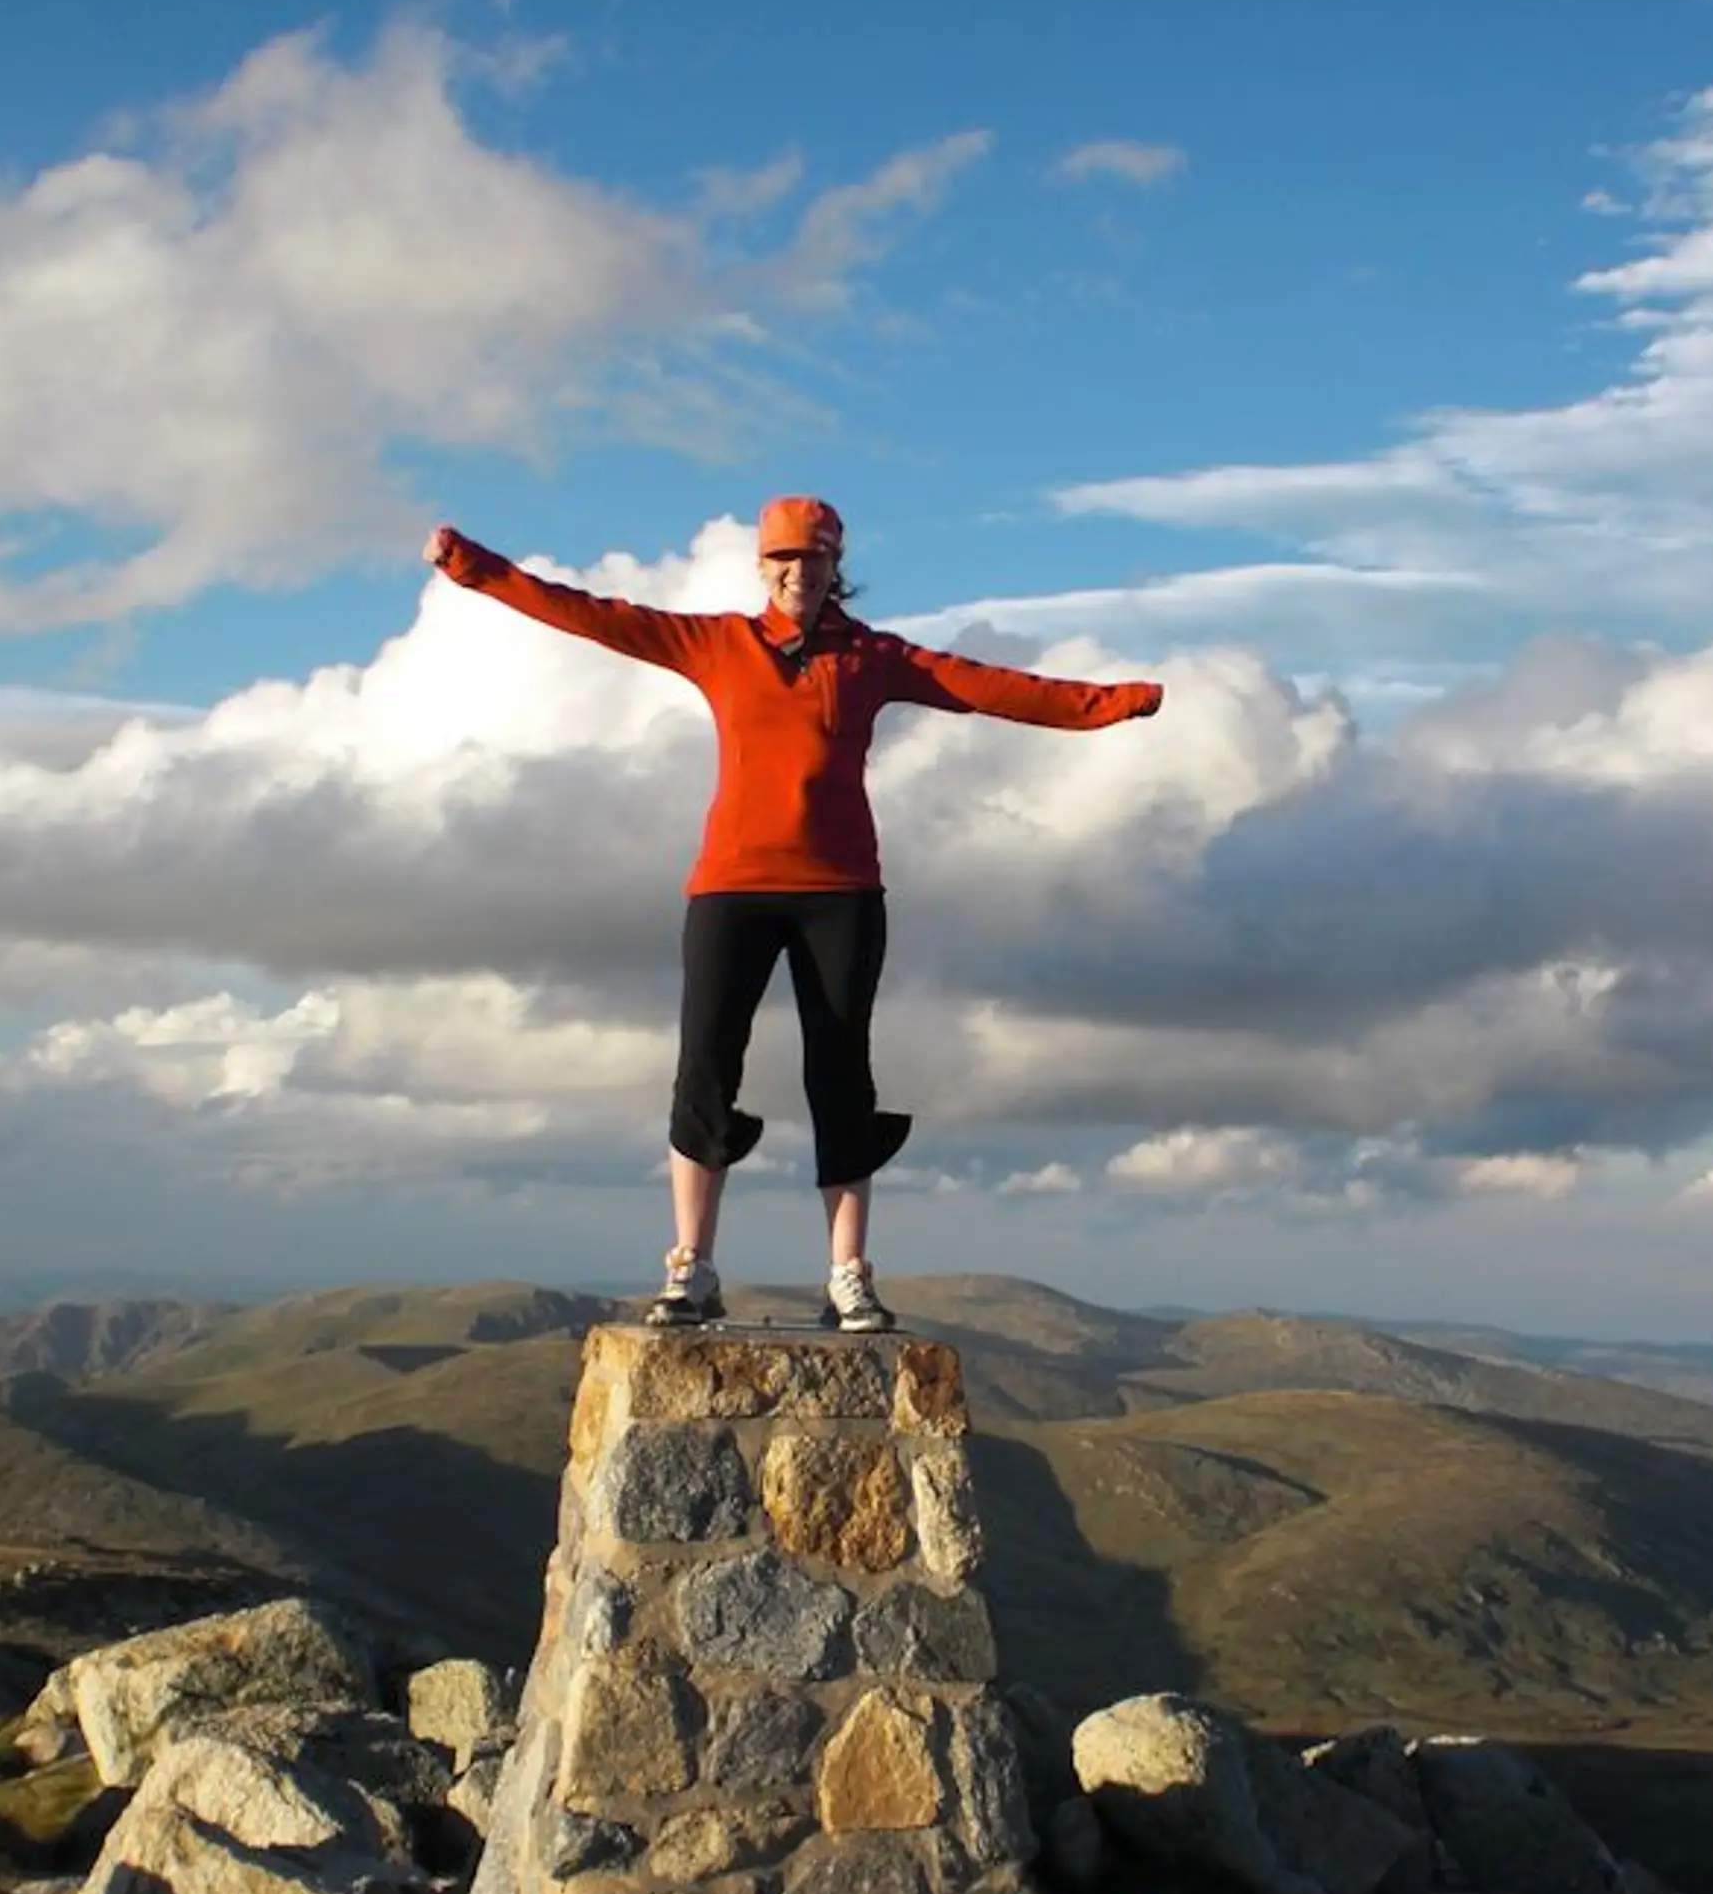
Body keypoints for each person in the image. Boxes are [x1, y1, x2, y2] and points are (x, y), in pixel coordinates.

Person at [424, 497, 1163, 1331]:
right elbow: (594, 616)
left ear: (834, 566)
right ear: (761, 566)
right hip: (730, 888)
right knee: (704, 1070)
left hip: (842, 894)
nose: (797, 573)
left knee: (841, 1079)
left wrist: (1114, 702)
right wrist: (472, 567)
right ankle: (691, 1268)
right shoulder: (718, 645)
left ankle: (849, 1276)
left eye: (812, 559)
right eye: (782, 559)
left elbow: (993, 688)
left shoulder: (873, 659)